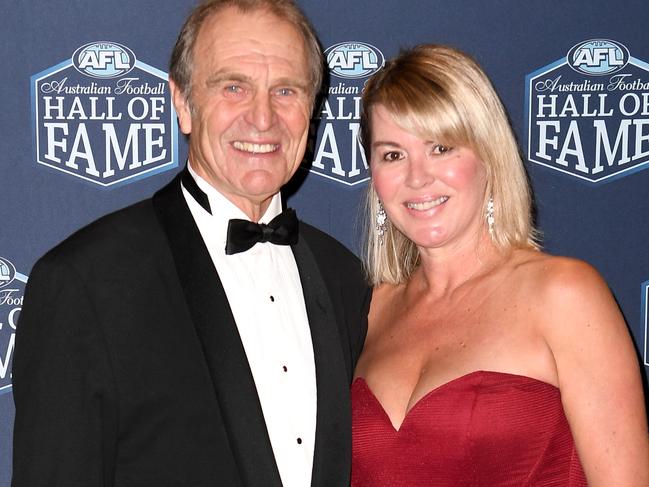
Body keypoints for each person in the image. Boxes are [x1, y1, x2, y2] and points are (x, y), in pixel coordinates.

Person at [12, 1, 370, 486]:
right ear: (182, 103)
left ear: (312, 108)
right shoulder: (86, 282)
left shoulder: (345, 277)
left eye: (285, 90)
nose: (263, 118)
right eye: (233, 87)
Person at [351, 44, 649, 486]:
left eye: (441, 147)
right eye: (393, 154)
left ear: (489, 156)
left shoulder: (564, 295)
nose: (417, 177)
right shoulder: (368, 311)